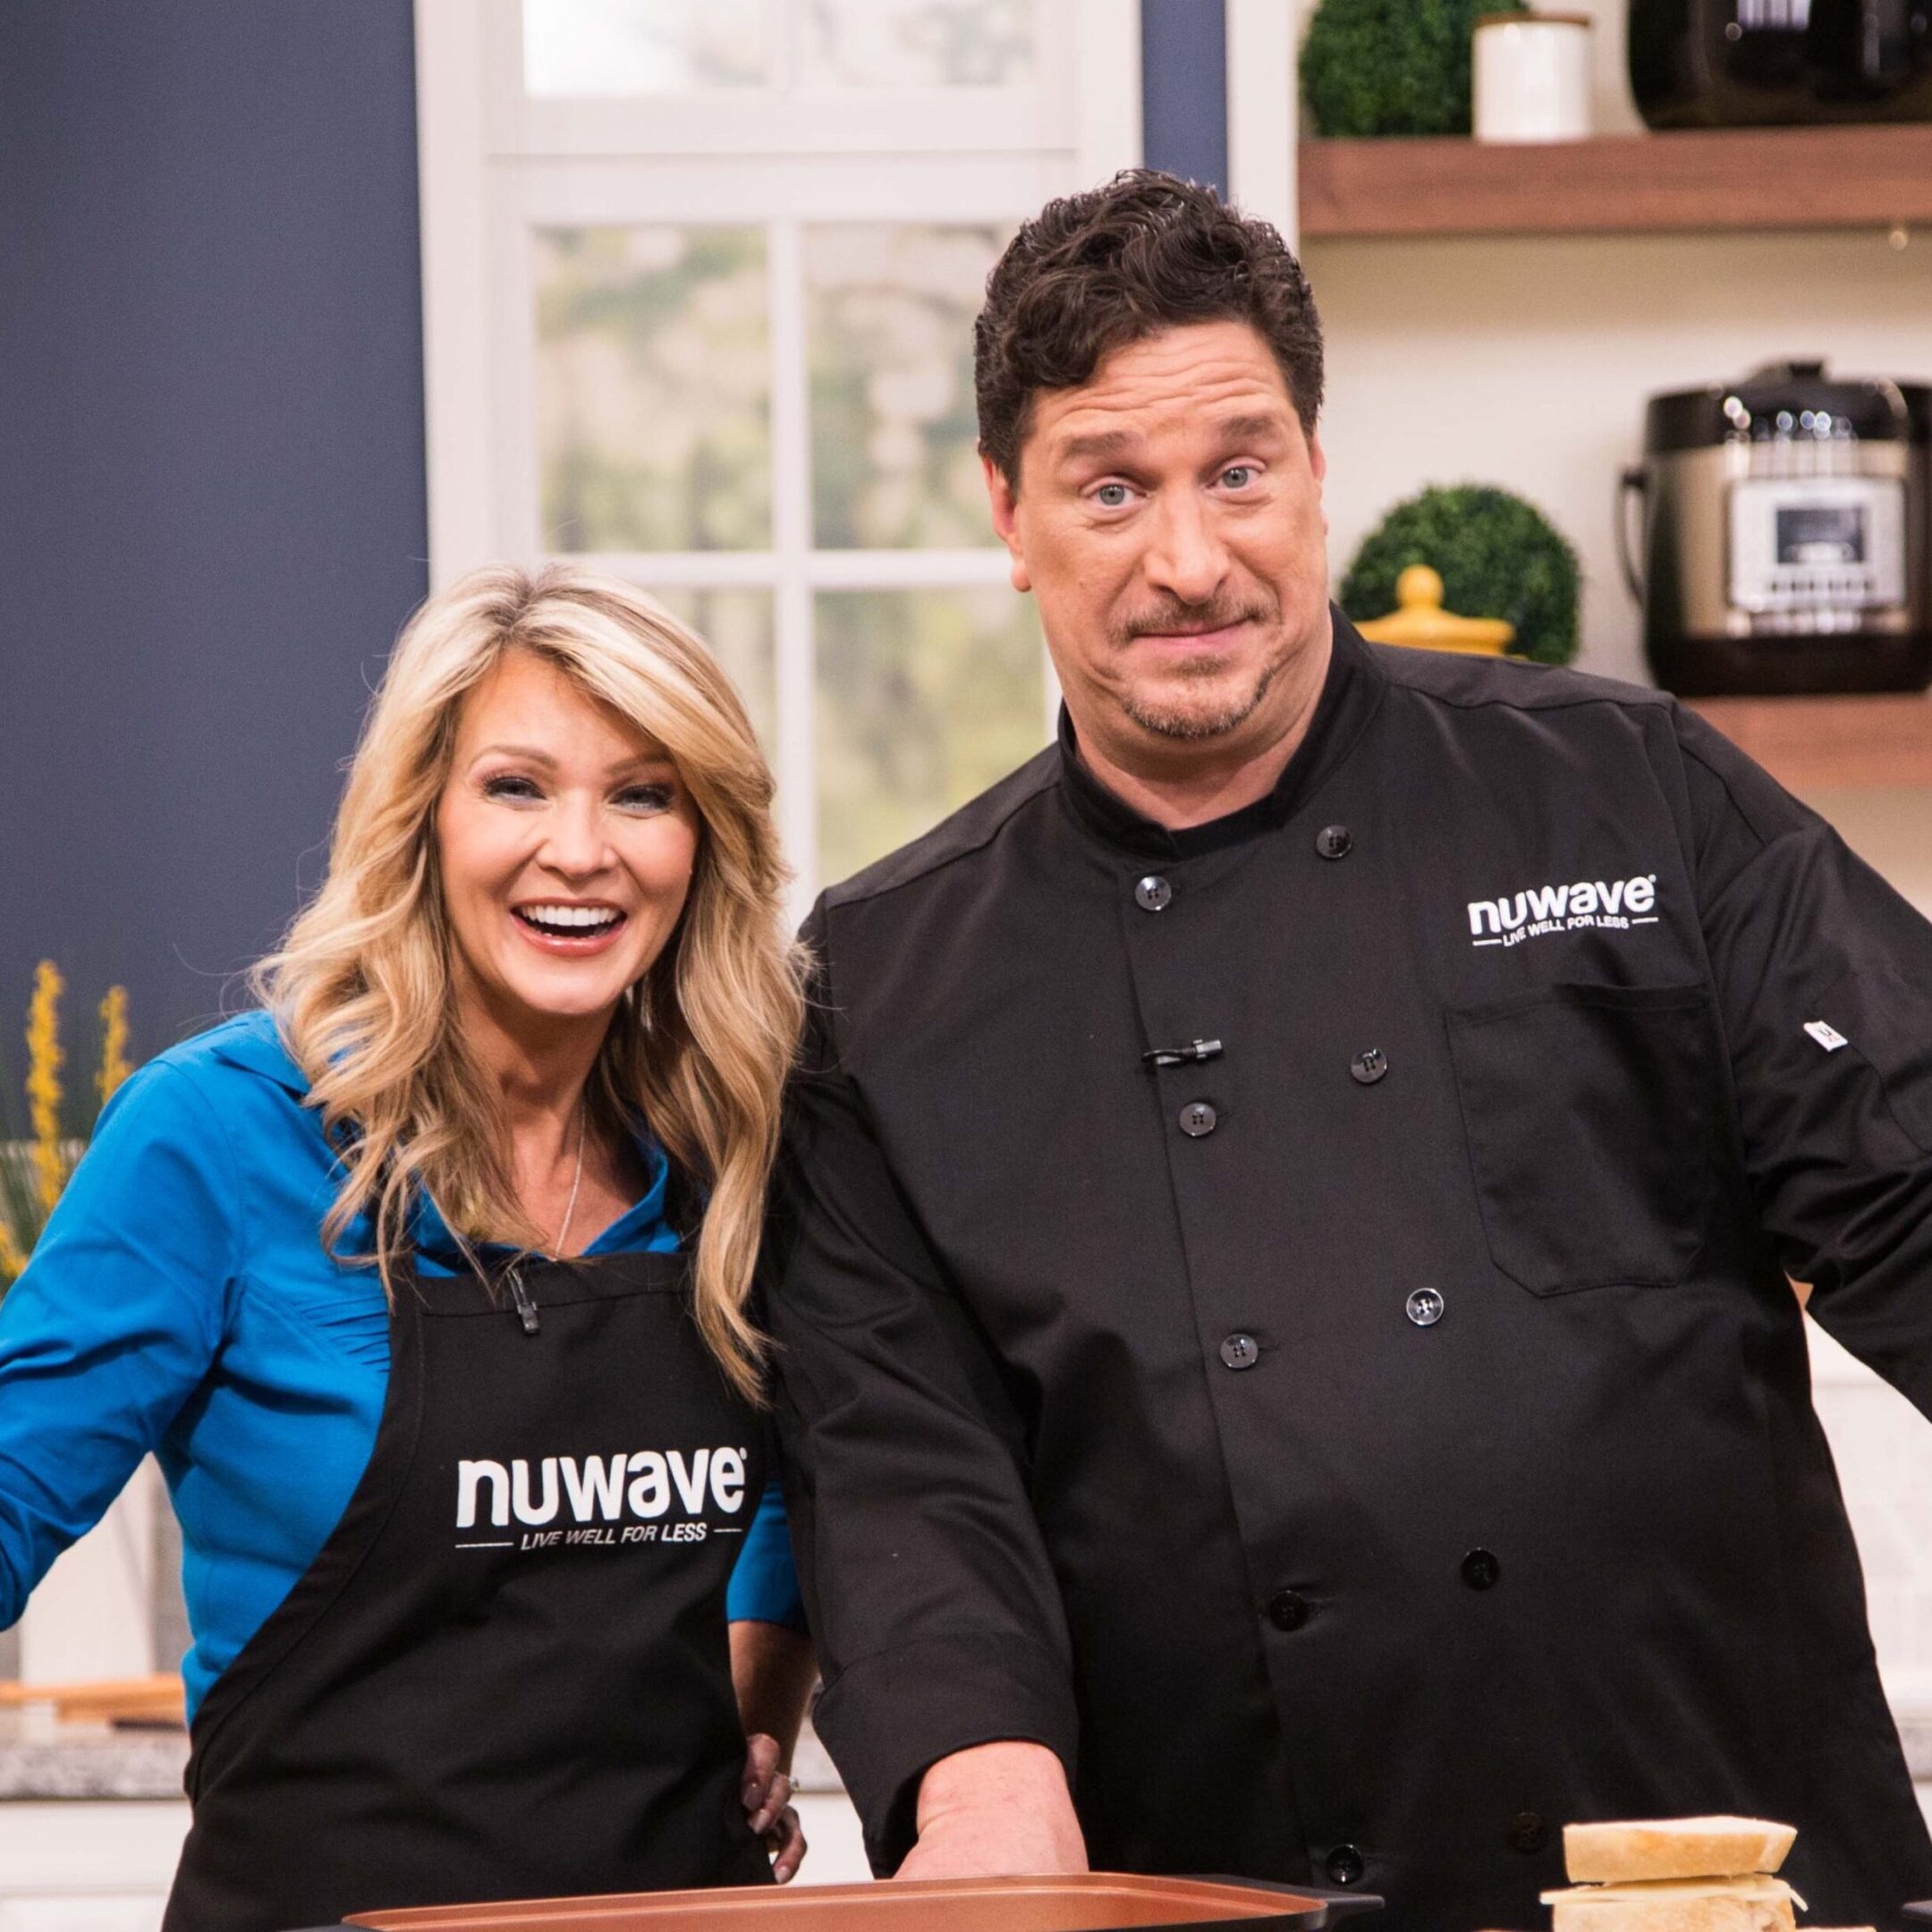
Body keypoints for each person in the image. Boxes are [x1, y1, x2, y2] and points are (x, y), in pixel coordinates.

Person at [764, 171, 1932, 1932]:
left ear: (1315, 470)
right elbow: (909, 1470)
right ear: (1007, 514)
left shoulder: (1626, 789)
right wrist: (983, 1792)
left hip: (1713, 1862)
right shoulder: (885, 981)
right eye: (1110, 488)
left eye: (1237, 471)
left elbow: (1912, 1180)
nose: (1188, 559)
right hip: (1225, 1884)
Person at [0, 566, 818, 1930]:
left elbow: (808, 1468)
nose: (581, 849)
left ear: (702, 841)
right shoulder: (220, 1135)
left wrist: (761, 1687)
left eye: (642, 793)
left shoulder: (735, 1145)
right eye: (516, 787)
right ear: (421, 820)